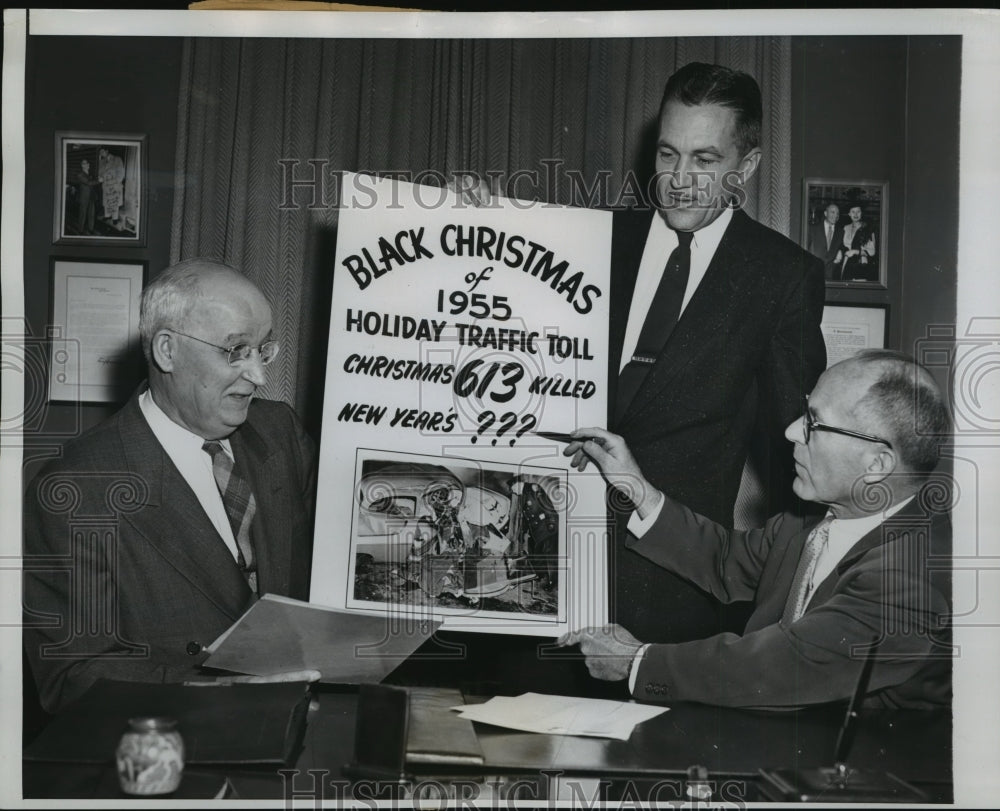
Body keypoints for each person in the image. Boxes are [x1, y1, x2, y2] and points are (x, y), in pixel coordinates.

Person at [559, 350, 952, 709]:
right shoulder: (808, 521)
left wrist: (636, 661)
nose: (792, 431)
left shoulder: (913, 579)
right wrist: (635, 487)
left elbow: (785, 668)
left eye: (814, 423)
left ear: (877, 464)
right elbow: (725, 559)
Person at [23, 258, 318, 713]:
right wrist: (224, 694)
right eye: (236, 350)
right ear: (167, 350)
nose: (259, 376)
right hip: (179, 740)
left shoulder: (281, 432)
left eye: (263, 350)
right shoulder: (76, 489)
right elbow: (72, 677)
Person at [609, 62, 827, 643]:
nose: (679, 180)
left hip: (669, 590)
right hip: (543, 563)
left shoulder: (782, 277)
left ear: (745, 168)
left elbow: (796, 449)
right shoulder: (592, 236)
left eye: (704, 160)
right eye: (667, 154)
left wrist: (786, 604)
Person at [836, 204, 877, 281]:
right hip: (846, 265)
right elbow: (841, 245)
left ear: (861, 213)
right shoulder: (845, 228)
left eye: (858, 211)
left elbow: (872, 252)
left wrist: (855, 251)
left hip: (860, 266)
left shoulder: (867, 229)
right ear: (849, 214)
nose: (855, 214)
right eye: (853, 212)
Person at [807, 202, 844, 281]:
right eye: (832, 212)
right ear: (825, 213)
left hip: (831, 275)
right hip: (813, 272)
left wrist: (841, 251)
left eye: (837, 213)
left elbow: (841, 247)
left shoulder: (841, 232)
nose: (836, 216)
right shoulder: (813, 229)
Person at [71, 158, 100, 235]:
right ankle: (80, 230)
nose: (87, 164)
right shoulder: (80, 175)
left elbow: (92, 184)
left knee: (91, 214)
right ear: (82, 166)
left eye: (87, 163)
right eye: (85, 163)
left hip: (91, 197)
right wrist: (99, 181)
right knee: (82, 214)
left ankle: (91, 229)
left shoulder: (90, 174)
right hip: (84, 198)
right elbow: (89, 183)